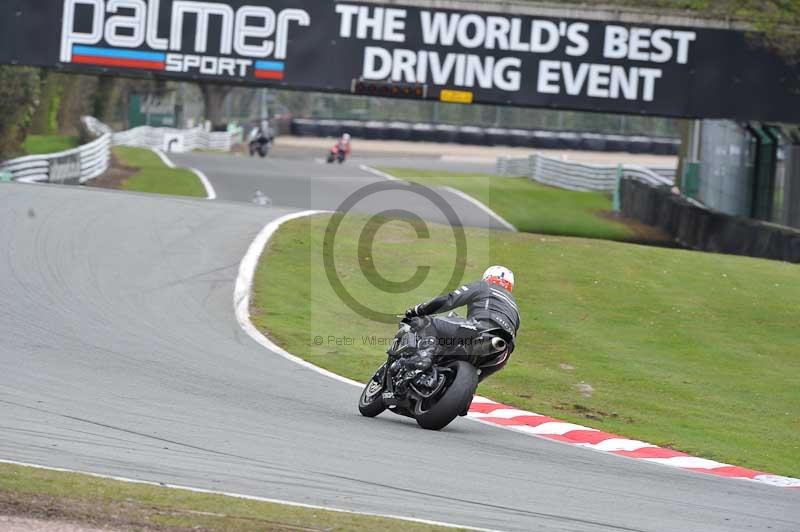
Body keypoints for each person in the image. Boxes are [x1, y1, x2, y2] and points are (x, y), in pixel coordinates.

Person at [403, 266, 520, 381]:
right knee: (473, 381)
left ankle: (423, 357)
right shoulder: (514, 306)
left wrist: (419, 310)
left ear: (487, 277)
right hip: (502, 354)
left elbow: (449, 300)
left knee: (426, 322)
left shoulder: (483, 286)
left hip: (480, 330)